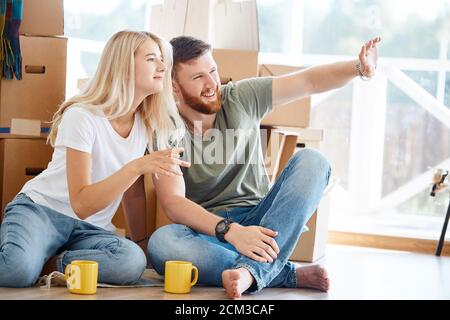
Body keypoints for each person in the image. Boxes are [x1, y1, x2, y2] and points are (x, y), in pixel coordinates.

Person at [148, 35, 380, 299]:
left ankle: (251, 271)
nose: (212, 83)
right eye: (198, 77)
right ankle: (283, 274)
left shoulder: (241, 97)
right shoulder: (165, 127)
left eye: (213, 70)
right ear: (175, 88)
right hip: (209, 231)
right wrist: (231, 232)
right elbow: (173, 202)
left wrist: (358, 68)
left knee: (314, 161)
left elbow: (309, 80)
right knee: (163, 244)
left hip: (264, 222)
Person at [0, 30, 190, 288]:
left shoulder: (145, 124)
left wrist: (142, 245)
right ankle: (27, 259)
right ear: (123, 66)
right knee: (16, 272)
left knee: (131, 262)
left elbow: (132, 192)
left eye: (162, 59)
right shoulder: (83, 116)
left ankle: (49, 263)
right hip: (42, 212)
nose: (163, 66)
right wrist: (137, 166)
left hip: (90, 230)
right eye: (151, 59)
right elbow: (81, 203)